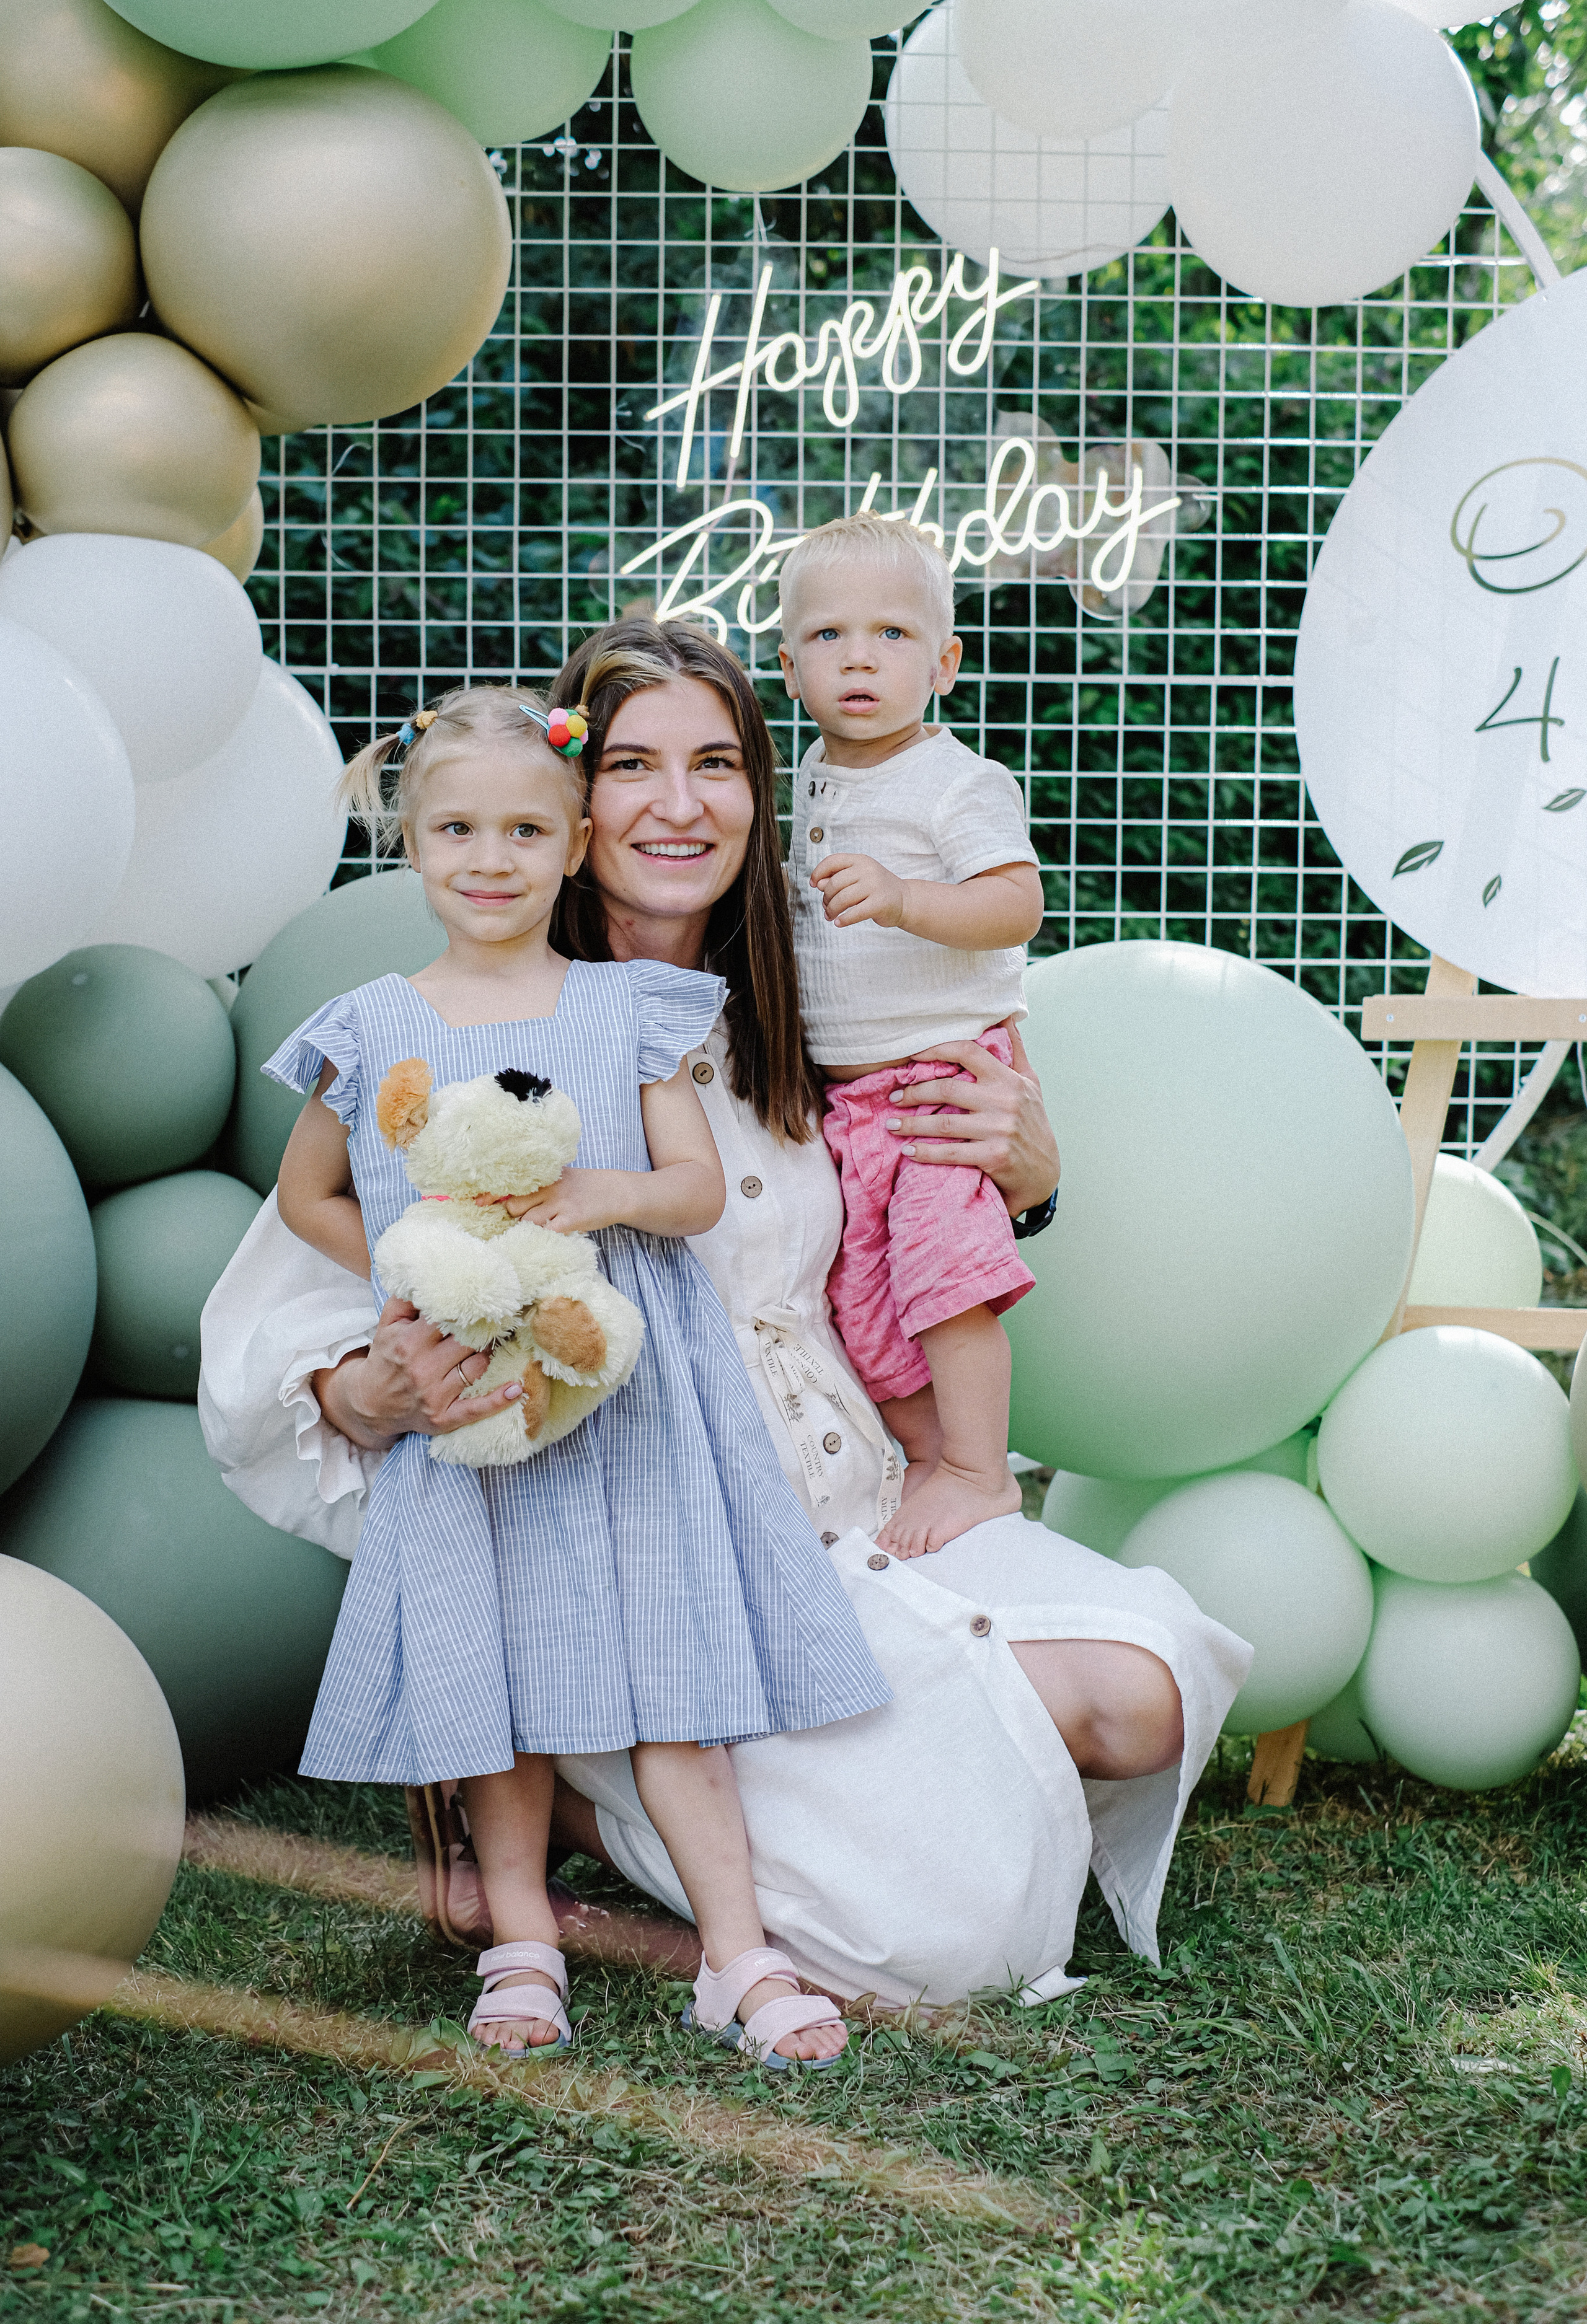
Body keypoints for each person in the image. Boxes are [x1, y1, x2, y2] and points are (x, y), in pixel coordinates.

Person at [201, 618, 1250, 2016]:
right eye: (634, 764)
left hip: (858, 1503)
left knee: (1145, 1695)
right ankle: (560, 1790)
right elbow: (294, 1301)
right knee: (950, 1942)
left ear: (762, 791)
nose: (679, 804)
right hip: (635, 1548)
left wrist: (1030, 1177)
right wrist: (371, 1387)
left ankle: (916, 1760)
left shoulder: (813, 992)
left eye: (717, 763)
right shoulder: (475, 1025)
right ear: (576, 809)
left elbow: (919, 1227)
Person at [255, 680, 890, 2067]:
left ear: (574, 843)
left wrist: (610, 1192)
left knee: (679, 1676)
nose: (490, 862)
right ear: (410, 843)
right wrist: (416, 1271)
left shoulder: (625, 1007)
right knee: (503, 1688)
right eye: (457, 832)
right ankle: (524, 1938)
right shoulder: (372, 1024)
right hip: (479, 1407)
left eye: (525, 833)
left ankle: (738, 1955)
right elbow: (310, 1194)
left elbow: (696, 1189)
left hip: (633, 1405)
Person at [779, 511, 1043, 1558]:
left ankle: (983, 1470)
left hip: (941, 1078)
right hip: (852, 1098)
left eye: (892, 634)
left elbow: (1015, 905)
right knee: (861, 1295)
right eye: (830, 635)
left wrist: (902, 898)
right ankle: (932, 1456)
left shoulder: (956, 781)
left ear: (945, 664)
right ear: (789, 666)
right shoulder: (810, 771)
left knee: (944, 1277)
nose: (860, 658)